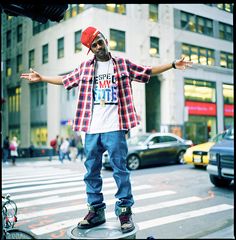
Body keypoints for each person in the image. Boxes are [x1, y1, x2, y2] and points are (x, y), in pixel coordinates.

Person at [20, 26, 192, 233]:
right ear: (90, 49)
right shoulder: (85, 68)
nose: (99, 46)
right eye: (94, 45)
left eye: (100, 41)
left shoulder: (122, 64)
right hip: (91, 129)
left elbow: (147, 71)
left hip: (115, 127)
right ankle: (96, 211)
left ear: (105, 40)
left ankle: (124, 212)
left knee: (121, 171)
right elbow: (65, 80)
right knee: (91, 171)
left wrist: (173, 64)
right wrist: (43, 78)